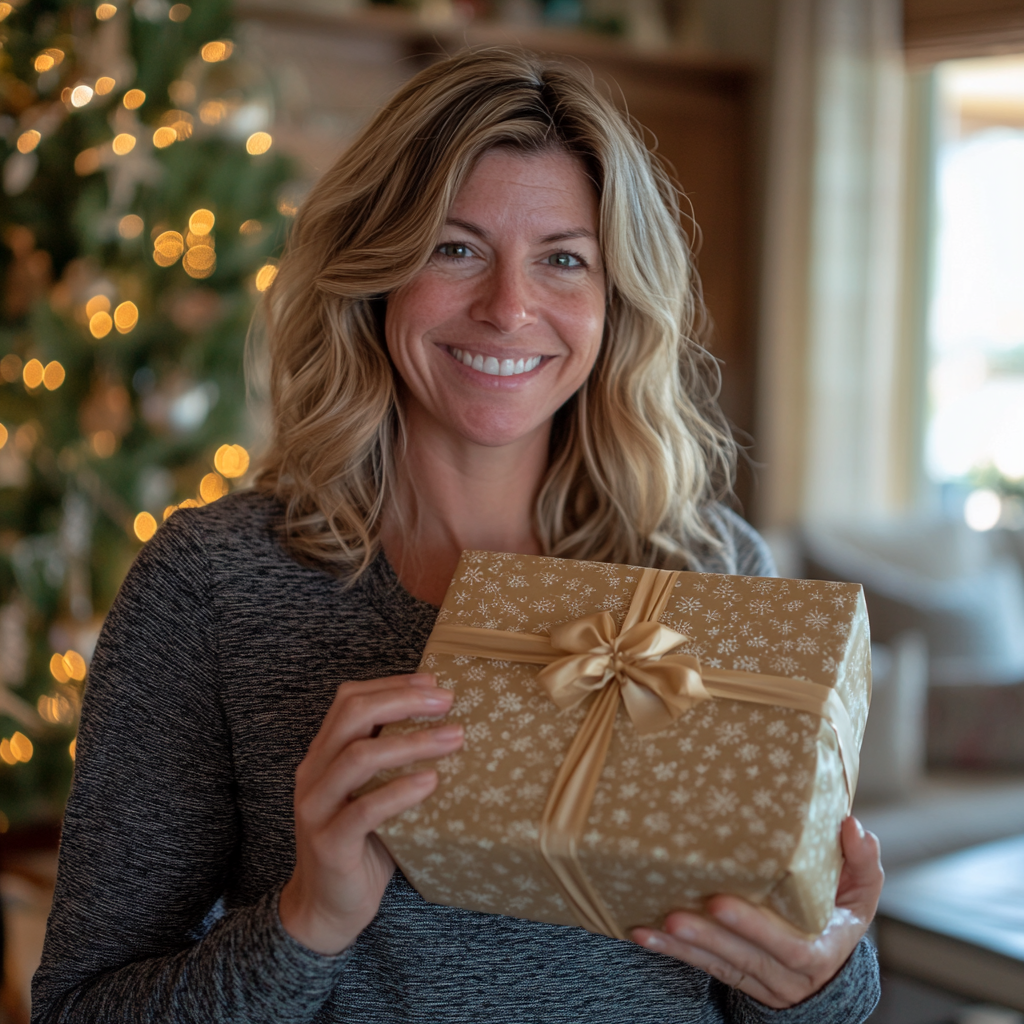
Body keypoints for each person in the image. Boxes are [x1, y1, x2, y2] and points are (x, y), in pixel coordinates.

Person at [33, 48, 882, 1023]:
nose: (508, 307)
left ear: (615, 303)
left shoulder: (708, 568)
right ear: (375, 270)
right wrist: (306, 921)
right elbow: (79, 1008)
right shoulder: (211, 586)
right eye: (454, 247)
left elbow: (784, 983)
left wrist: (818, 979)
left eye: (563, 258)